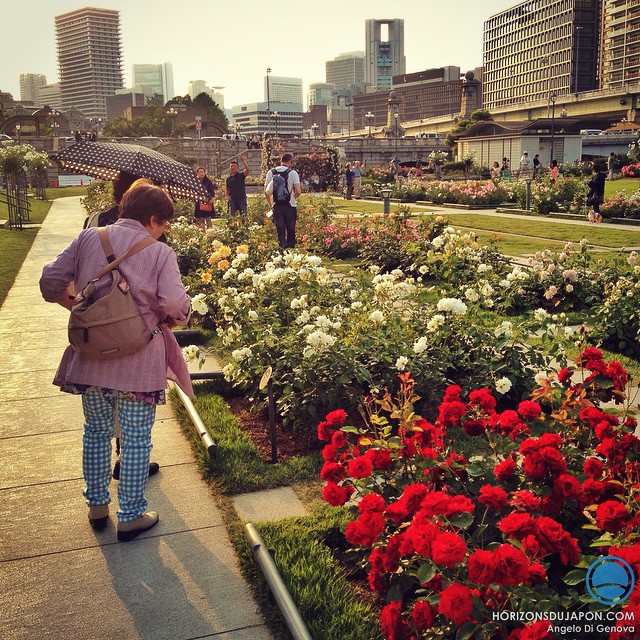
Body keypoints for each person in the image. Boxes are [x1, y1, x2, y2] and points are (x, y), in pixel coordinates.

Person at [39, 184, 192, 541]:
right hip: (139, 362)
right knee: (136, 440)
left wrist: (76, 307)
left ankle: (96, 506)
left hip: (90, 357)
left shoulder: (88, 238)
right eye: (163, 224)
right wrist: (177, 315)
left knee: (95, 432)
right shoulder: (159, 253)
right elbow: (174, 306)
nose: (163, 231)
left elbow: (49, 281)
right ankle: (131, 514)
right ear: (153, 219)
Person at [264, 152, 302, 249]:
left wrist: (270, 204)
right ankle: (290, 248)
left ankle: (282, 246)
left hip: (276, 205)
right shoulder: (293, 173)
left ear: (281, 161)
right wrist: (293, 196)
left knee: (280, 227)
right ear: (290, 162)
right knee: (290, 228)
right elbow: (298, 191)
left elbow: (266, 191)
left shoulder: (271, 172)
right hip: (290, 205)